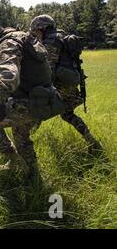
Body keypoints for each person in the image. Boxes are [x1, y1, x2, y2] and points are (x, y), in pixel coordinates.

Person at [0, 25, 65, 180]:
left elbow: (10, 75)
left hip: (28, 103)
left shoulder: (7, 43)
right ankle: (33, 176)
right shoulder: (28, 38)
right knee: (21, 137)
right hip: (44, 99)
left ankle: (15, 162)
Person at [30, 15, 102, 154]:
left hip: (59, 84)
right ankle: (92, 141)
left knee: (36, 110)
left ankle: (24, 144)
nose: (36, 35)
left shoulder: (51, 41)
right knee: (67, 114)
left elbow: (48, 68)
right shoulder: (63, 37)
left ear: (42, 28)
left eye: (36, 31)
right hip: (70, 82)